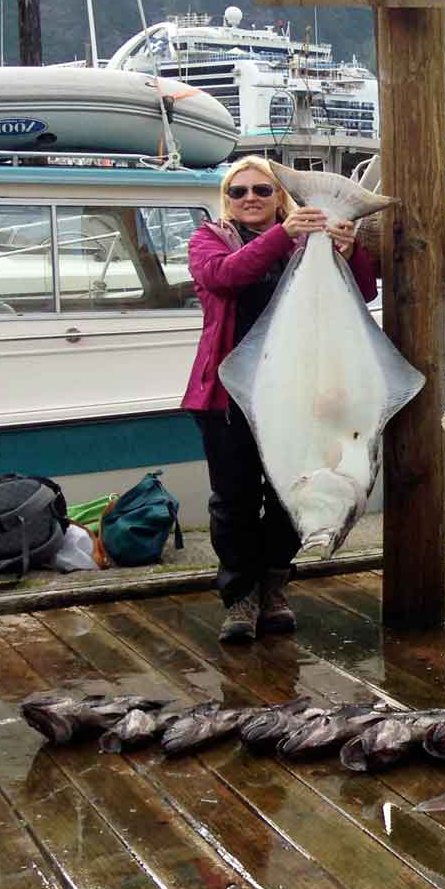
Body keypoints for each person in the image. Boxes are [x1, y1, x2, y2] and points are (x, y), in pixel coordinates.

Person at [184, 156, 373, 643]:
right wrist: (284, 234)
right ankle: (240, 598)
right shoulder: (210, 239)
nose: (250, 199)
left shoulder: (308, 243)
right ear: (226, 199)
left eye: (262, 191)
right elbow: (224, 276)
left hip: (299, 396)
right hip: (229, 398)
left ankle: (274, 586)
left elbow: (365, 292)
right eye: (239, 191)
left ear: (279, 197)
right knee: (234, 501)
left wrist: (349, 252)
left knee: (293, 494)